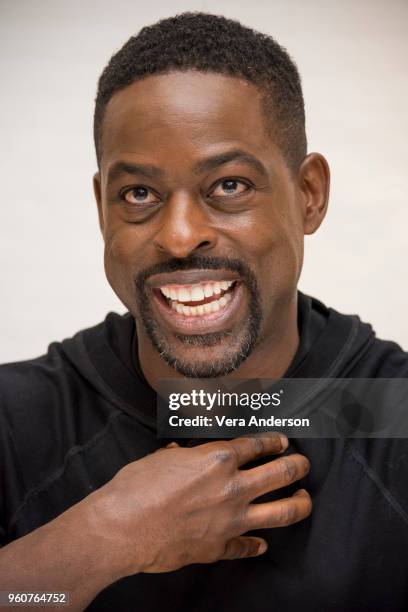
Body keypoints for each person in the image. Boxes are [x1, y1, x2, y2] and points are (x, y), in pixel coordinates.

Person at [0, 11, 407, 612]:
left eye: (229, 185)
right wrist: (101, 540)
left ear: (308, 195)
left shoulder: (395, 419)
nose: (181, 235)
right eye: (139, 194)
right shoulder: (14, 422)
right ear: (102, 208)